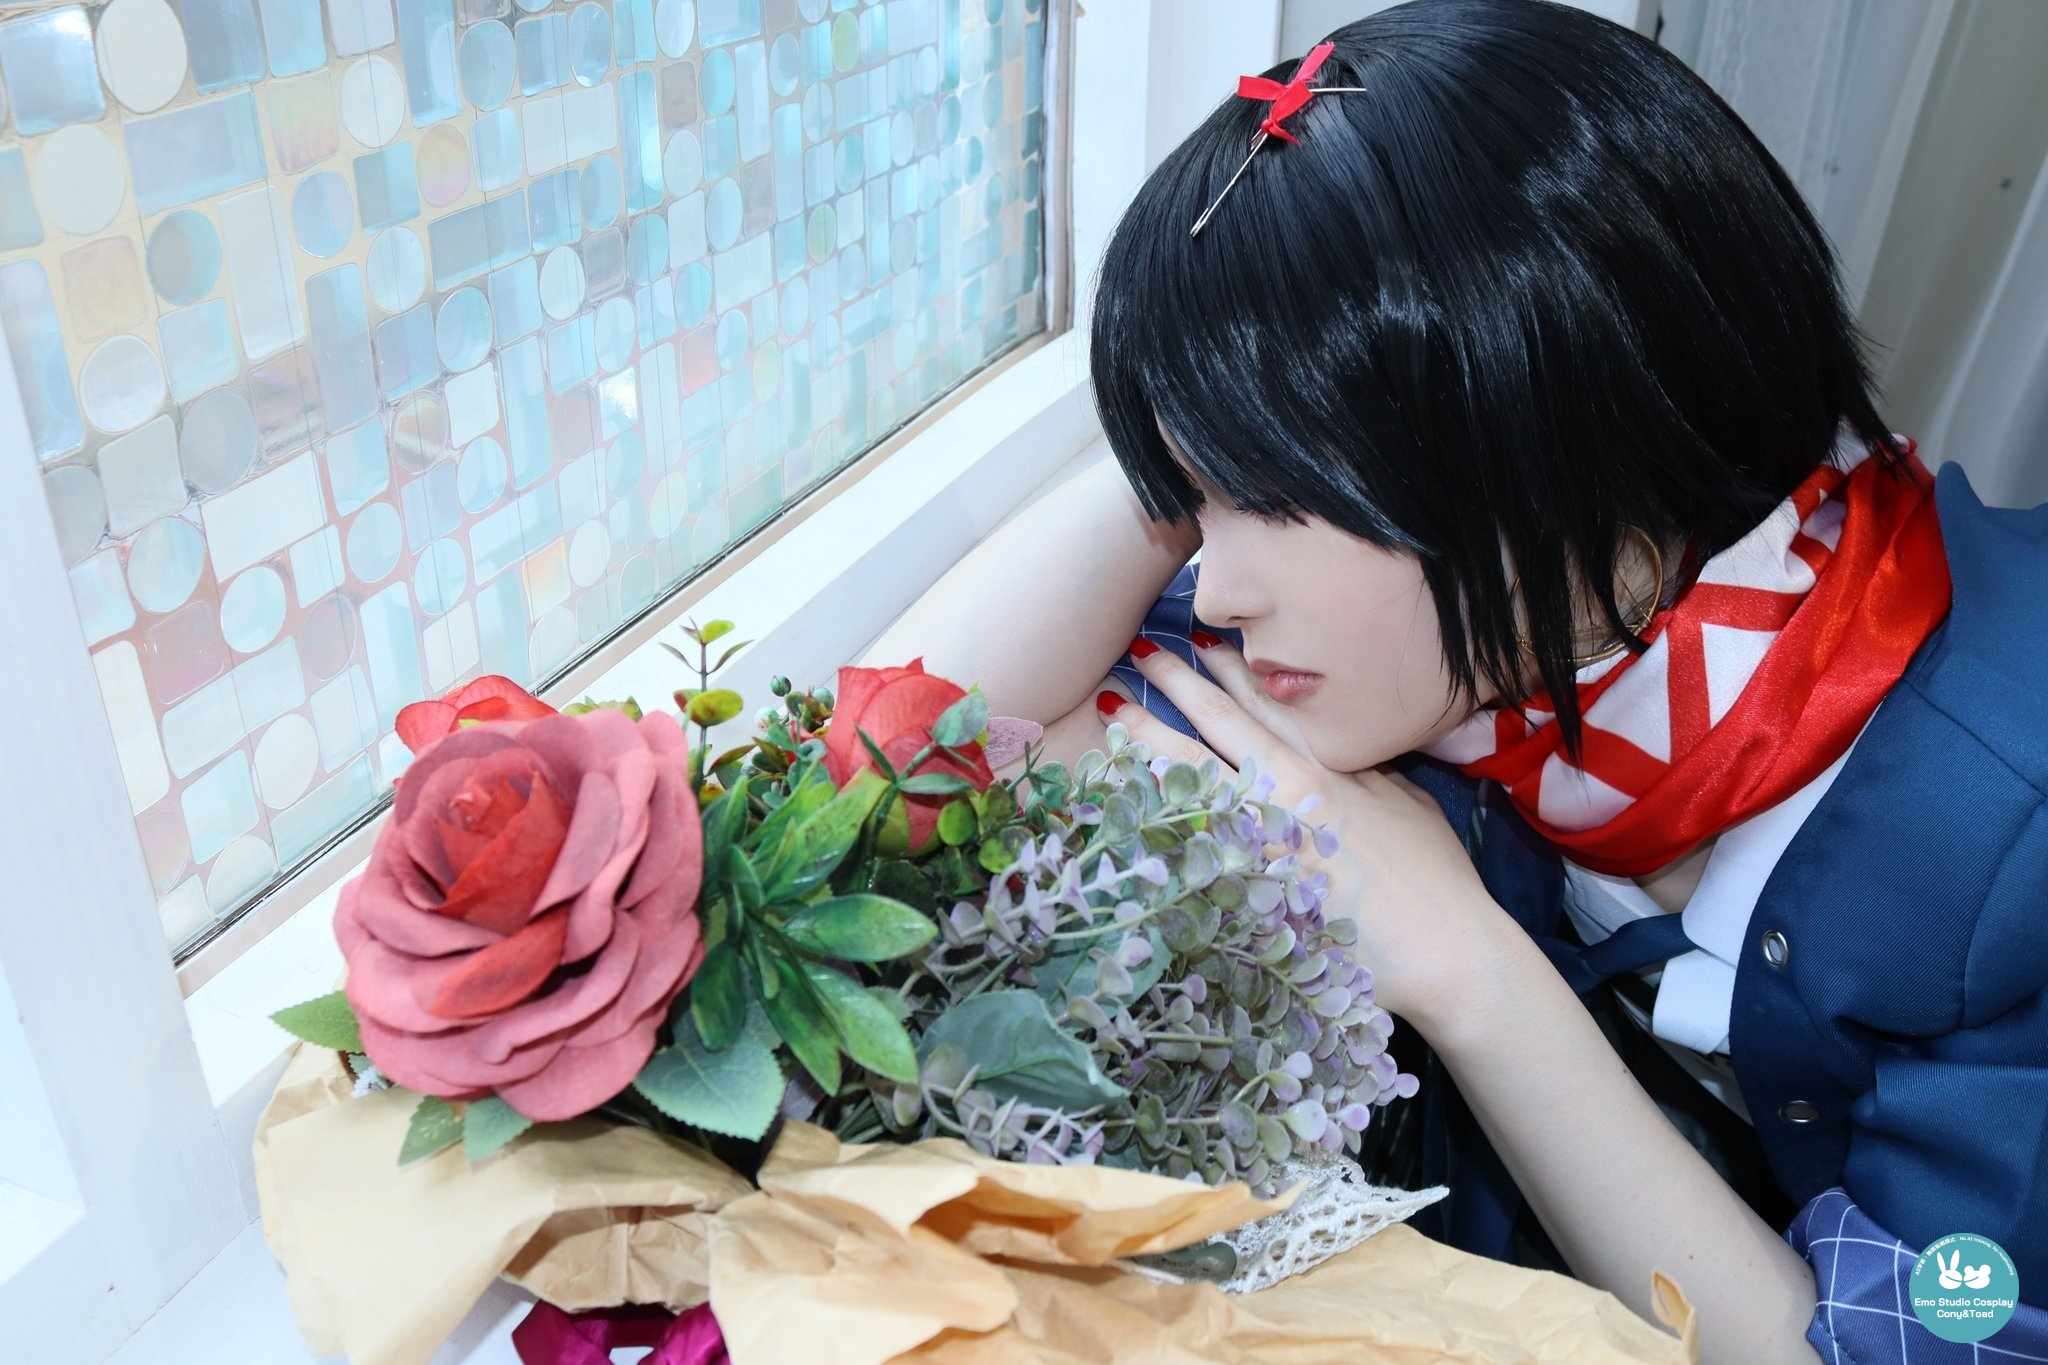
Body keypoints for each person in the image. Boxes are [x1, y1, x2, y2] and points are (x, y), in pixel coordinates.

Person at [856, 3, 2048, 1361]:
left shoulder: (2006, 836)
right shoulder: (1522, 627)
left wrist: (1467, 969)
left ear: (1557, 443)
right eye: (1196, 505)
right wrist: (1209, 405)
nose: (1221, 589)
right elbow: (908, 766)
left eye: (1273, 499)